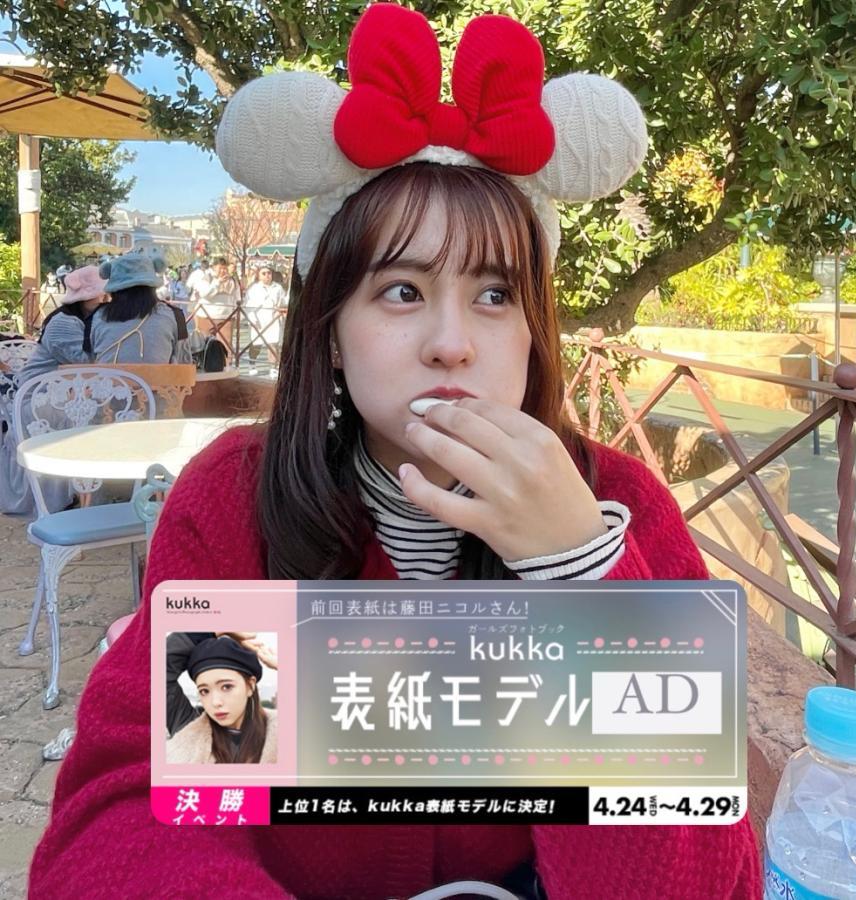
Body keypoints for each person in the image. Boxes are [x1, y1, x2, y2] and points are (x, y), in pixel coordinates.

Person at [28, 6, 761, 899]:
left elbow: (704, 877)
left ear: (535, 327)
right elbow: (128, 814)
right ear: (331, 332)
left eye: (496, 295)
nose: (453, 343)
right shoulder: (243, 503)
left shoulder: (622, 507)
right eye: (403, 291)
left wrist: (581, 575)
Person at [0, 265, 109, 516]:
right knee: (89, 417)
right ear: (86, 297)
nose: (107, 299)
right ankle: (83, 495)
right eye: (102, 295)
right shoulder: (63, 323)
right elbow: (86, 363)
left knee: (94, 412)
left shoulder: (82, 320)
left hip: (62, 393)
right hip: (36, 398)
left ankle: (88, 494)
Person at [166, 633, 278, 765]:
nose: (215, 702)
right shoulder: (188, 727)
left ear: (250, 685)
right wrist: (209, 630)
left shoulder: (283, 731)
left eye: (226, 687)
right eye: (204, 691)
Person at [91, 253, 192, 365]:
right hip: (158, 377)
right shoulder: (173, 315)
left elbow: (90, 359)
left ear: (113, 290)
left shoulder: (98, 317)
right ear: (153, 287)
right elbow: (184, 364)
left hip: (109, 377)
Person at [244, 264, 287, 375]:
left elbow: (283, 302)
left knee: (273, 344)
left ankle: (273, 367)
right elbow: (248, 306)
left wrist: (280, 309)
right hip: (259, 319)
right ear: (259, 275)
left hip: (273, 319)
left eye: (269, 273)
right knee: (256, 344)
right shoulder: (253, 289)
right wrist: (253, 320)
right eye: (264, 273)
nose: (267, 275)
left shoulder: (278, 288)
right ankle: (252, 364)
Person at [192, 255, 239, 352]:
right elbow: (205, 294)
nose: (223, 271)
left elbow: (236, 297)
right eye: (220, 268)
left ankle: (225, 362)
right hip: (206, 316)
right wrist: (218, 283)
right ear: (214, 268)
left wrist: (236, 314)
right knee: (203, 345)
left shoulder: (232, 280)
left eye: (225, 268)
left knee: (226, 346)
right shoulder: (206, 278)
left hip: (226, 317)